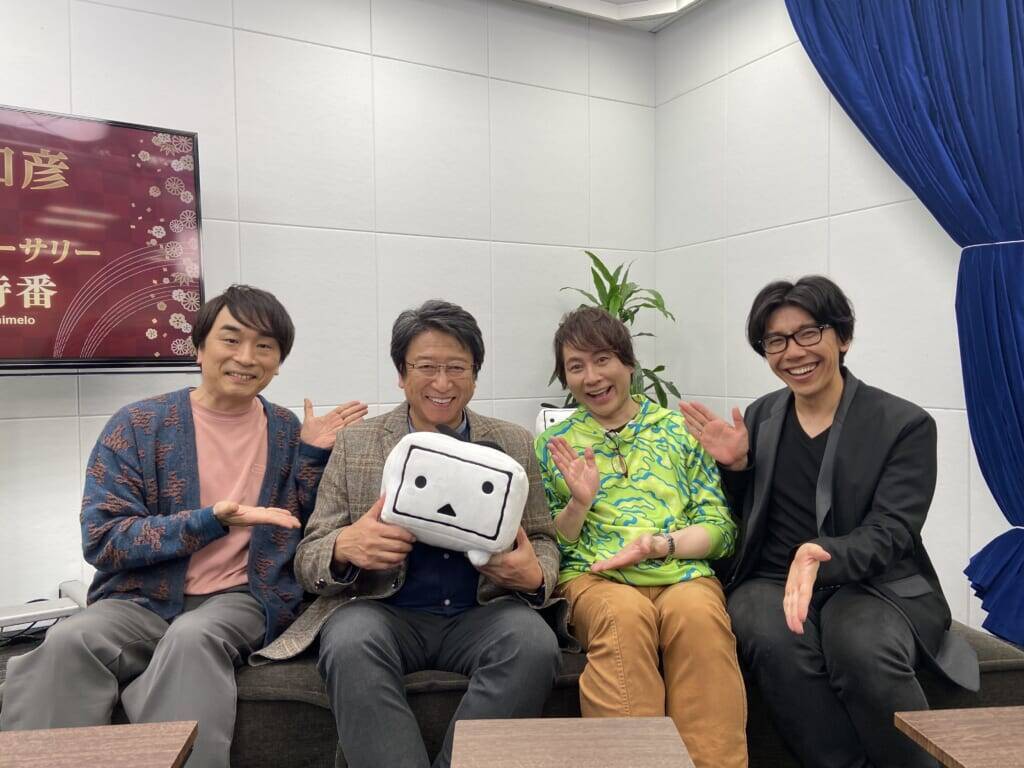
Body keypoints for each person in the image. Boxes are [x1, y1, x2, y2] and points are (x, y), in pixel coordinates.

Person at [0, 285, 367, 768]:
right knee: (70, 641)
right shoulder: (137, 425)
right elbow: (103, 540)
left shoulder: (285, 431)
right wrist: (209, 520)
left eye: (264, 346)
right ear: (198, 348)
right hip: (139, 599)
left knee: (193, 638)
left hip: (242, 597)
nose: (246, 357)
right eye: (230, 340)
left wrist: (313, 455)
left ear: (278, 363)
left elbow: (311, 527)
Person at [680, 275, 979, 768]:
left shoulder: (902, 424)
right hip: (772, 579)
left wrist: (824, 555)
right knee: (768, 633)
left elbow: (893, 531)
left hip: (871, 583)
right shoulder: (761, 415)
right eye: (776, 341)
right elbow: (741, 515)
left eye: (808, 333)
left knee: (859, 645)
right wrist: (736, 469)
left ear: (843, 337)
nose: (793, 352)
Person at [251, 299, 562, 768]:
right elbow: (310, 553)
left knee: (534, 643)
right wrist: (345, 546)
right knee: (349, 640)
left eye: (457, 368)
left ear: (475, 375)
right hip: (384, 611)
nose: (442, 383)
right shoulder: (357, 442)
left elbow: (542, 538)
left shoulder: (513, 442)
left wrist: (535, 574)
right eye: (426, 367)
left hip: (482, 612)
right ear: (401, 373)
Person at [534, 306, 747, 768]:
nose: (592, 377)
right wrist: (579, 503)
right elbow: (550, 544)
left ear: (629, 364)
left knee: (700, 618)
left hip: (682, 572)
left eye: (603, 359)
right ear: (565, 378)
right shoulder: (555, 445)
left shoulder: (679, 431)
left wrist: (661, 545)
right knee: (623, 618)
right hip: (596, 579)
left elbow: (720, 529)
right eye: (576, 366)